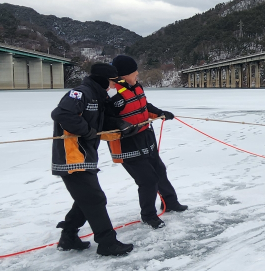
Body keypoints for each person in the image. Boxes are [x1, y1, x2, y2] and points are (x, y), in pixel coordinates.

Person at [51, 63, 135, 256]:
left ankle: (68, 236)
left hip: (85, 156)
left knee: (87, 198)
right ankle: (107, 243)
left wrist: (121, 125)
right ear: (104, 79)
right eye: (113, 82)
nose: (114, 86)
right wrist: (86, 131)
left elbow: (100, 123)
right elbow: (61, 114)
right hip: (72, 157)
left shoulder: (99, 96)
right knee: (95, 199)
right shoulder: (81, 93)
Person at [106, 55, 187, 230]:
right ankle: (148, 215)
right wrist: (121, 125)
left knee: (160, 170)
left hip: (146, 137)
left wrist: (160, 113)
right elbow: (105, 119)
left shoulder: (136, 86)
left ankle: (170, 202)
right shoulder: (111, 92)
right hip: (126, 143)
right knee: (148, 180)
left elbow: (144, 106)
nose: (137, 73)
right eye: (134, 71)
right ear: (124, 74)